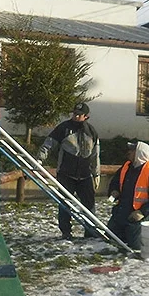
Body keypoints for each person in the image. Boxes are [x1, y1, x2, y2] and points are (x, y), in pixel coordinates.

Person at [37, 102, 100, 240]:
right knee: (65, 205)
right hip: (66, 174)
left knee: (89, 205)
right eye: (74, 114)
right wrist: (39, 160)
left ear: (86, 116)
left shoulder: (91, 131)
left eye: (79, 115)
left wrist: (96, 173)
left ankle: (90, 232)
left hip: (85, 175)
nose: (76, 116)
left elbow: (95, 155)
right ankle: (66, 232)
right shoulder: (64, 128)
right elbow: (49, 144)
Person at [107, 141, 149, 251]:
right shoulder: (126, 167)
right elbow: (115, 182)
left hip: (138, 217)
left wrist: (142, 212)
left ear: (140, 153)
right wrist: (114, 191)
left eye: (132, 150)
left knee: (135, 246)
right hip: (121, 212)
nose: (128, 152)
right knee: (111, 240)